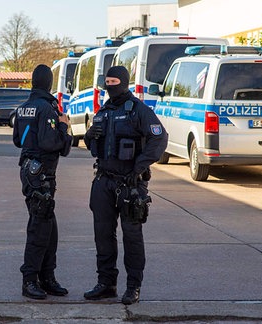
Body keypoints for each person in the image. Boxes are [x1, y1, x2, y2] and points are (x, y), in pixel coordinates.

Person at [83, 66, 168, 305]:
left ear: (124, 82)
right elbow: (91, 143)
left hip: (130, 184)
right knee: (103, 235)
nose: (110, 85)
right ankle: (106, 283)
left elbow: (159, 137)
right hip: (103, 181)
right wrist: (91, 135)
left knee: (132, 236)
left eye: (114, 81)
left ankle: (133, 287)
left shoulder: (138, 110)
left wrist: (138, 167)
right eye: (107, 81)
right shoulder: (104, 110)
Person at [13, 64, 73, 300]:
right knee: (39, 228)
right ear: (49, 83)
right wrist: (64, 128)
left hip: (29, 171)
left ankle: (47, 278)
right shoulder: (47, 108)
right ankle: (30, 281)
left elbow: (18, 140)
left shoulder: (23, 108)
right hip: (41, 174)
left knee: (50, 229)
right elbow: (51, 143)